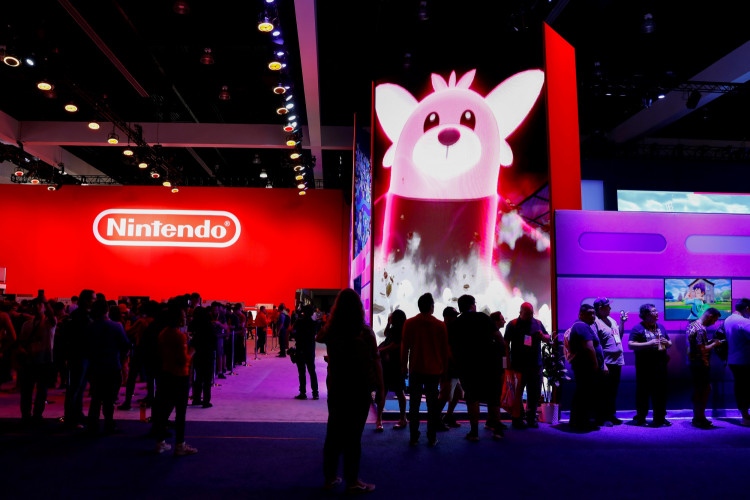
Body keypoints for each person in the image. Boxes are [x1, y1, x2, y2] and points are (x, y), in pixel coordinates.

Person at [316, 289, 383, 494]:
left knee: (334, 432)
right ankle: (352, 480)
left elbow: (320, 337)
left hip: (337, 386)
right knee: (354, 436)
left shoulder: (331, 331)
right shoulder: (365, 332)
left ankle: (329, 478)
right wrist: (381, 387)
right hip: (360, 387)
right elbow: (375, 360)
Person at [449, 294, 505, 441]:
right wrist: (500, 357)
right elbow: (499, 338)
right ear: (473, 305)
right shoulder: (483, 317)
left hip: (468, 366)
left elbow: (452, 347)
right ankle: (497, 430)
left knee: (472, 398)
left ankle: (474, 432)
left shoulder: (456, 323)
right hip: (488, 364)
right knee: (493, 398)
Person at [401, 293, 450, 446]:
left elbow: (405, 348)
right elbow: (444, 351)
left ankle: (413, 436)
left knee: (414, 405)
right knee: (432, 406)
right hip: (434, 372)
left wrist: (403, 367)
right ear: (431, 307)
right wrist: (445, 371)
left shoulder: (409, 323)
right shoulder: (440, 325)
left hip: (415, 370)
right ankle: (431, 436)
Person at [152, 300, 198, 456]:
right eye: (184, 316)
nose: (186, 318)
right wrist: (192, 351)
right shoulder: (179, 336)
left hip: (166, 374)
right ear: (179, 318)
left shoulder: (163, 333)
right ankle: (180, 444)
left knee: (164, 411)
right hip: (180, 376)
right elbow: (182, 360)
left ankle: (161, 442)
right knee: (180, 412)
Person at [86, 299, 129, 434]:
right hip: (112, 366)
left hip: (95, 367)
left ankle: (92, 425)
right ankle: (109, 424)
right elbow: (125, 346)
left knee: (96, 398)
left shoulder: (89, 327)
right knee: (109, 399)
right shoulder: (116, 326)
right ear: (107, 310)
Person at [503, 302, 549, 429]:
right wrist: (506, 362)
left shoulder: (538, 323)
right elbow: (505, 344)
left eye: (531, 313)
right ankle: (517, 418)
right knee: (517, 393)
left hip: (535, 365)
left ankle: (531, 418)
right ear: (520, 312)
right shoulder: (512, 325)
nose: (530, 316)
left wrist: (542, 336)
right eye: (527, 313)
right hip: (518, 365)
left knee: (534, 393)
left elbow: (548, 338)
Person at [628, 303, 672, 427]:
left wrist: (667, 343)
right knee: (643, 393)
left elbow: (670, 342)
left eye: (656, 310)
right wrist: (649, 343)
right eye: (653, 311)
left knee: (660, 393)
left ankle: (660, 418)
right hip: (644, 367)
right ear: (646, 314)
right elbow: (630, 345)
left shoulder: (661, 327)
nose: (657, 313)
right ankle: (641, 418)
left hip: (661, 366)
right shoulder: (638, 328)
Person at [17, 297, 57, 424]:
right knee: (27, 390)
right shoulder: (27, 324)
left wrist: (45, 302)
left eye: (40, 305)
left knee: (41, 390)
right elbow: (22, 342)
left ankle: (37, 414)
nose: (37, 308)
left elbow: (52, 316)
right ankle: (26, 414)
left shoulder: (49, 323)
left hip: (44, 361)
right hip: (30, 361)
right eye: (35, 305)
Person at [567, 304, 605, 431]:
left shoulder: (584, 326)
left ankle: (578, 421)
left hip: (585, 367)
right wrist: (595, 365)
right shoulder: (581, 326)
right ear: (581, 315)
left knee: (582, 394)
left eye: (594, 313)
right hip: (586, 368)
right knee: (584, 394)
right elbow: (589, 347)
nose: (593, 316)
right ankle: (581, 422)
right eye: (589, 313)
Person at [686, 307, 723, 429]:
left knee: (698, 390)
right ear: (710, 316)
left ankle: (697, 417)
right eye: (714, 320)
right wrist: (715, 344)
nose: (714, 323)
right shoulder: (701, 330)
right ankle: (699, 418)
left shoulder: (692, 325)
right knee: (704, 390)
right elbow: (702, 349)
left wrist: (709, 341)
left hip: (693, 363)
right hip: (701, 364)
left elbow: (696, 344)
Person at [64, 289, 95, 428]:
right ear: (87, 300)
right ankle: (72, 418)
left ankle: (77, 414)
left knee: (80, 387)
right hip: (79, 355)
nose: (95, 301)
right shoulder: (80, 315)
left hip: (82, 355)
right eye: (93, 299)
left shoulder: (80, 314)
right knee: (76, 387)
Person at [592, 298, 626, 426]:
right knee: (603, 392)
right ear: (600, 308)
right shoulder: (595, 322)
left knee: (613, 391)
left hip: (617, 361)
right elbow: (596, 344)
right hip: (606, 362)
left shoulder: (611, 320)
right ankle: (602, 418)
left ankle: (611, 416)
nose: (610, 309)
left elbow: (619, 337)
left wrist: (622, 323)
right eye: (607, 306)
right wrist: (602, 364)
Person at [375, 310, 407, 431]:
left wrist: (380, 350)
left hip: (393, 364)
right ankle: (401, 418)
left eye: (392, 316)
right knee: (397, 392)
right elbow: (385, 333)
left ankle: (380, 420)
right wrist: (388, 323)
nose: (390, 317)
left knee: (390, 391)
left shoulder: (398, 330)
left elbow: (394, 345)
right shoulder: (394, 329)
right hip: (392, 365)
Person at [725, 298, 750, 426]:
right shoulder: (745, 322)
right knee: (745, 389)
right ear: (747, 309)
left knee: (740, 388)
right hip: (745, 360)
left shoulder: (727, 320)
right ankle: (746, 418)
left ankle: (745, 415)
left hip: (733, 359)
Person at [438, 306, 463, 428]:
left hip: (450, 367)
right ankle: (436, 420)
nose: (456, 318)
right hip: (448, 367)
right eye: (454, 316)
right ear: (447, 317)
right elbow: (447, 349)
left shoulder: (448, 327)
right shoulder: (446, 328)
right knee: (445, 395)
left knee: (457, 393)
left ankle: (447, 416)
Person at [189, 306, 217, 408]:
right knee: (207, 378)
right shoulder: (208, 325)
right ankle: (206, 400)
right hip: (208, 353)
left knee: (198, 377)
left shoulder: (193, 324)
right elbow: (214, 340)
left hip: (197, 352)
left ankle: (196, 398)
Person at [291, 305, 319, 400]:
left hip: (300, 349)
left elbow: (293, 332)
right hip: (310, 349)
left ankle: (303, 392)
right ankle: (315, 393)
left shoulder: (299, 321)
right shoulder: (314, 323)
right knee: (312, 371)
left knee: (302, 372)